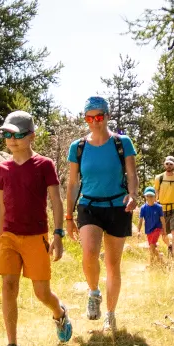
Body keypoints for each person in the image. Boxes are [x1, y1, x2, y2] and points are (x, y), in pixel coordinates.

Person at [0, 110, 72, 346]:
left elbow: (56, 202)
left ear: (32, 136)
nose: (12, 140)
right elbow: (2, 204)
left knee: (41, 292)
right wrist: (0, 233)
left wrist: (58, 234)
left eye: (17, 135)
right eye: (7, 134)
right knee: (8, 287)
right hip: (9, 237)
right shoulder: (1, 168)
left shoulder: (44, 165)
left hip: (36, 236)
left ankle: (59, 313)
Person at [65, 95, 139, 332]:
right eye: (90, 117)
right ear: (85, 119)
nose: (95, 121)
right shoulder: (77, 147)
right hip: (89, 206)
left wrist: (134, 195)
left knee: (112, 264)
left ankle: (110, 313)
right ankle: (94, 292)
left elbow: (132, 174)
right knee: (89, 253)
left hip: (118, 206)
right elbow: (73, 183)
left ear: (107, 116)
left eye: (99, 116)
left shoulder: (122, 142)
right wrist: (68, 216)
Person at [139, 187, 165, 266]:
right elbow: (140, 220)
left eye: (151, 196)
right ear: (145, 197)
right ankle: (160, 258)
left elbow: (162, 220)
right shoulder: (143, 208)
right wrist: (138, 231)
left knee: (152, 245)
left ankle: (151, 264)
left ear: (155, 197)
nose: (149, 198)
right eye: (148, 196)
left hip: (157, 229)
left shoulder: (159, 207)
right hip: (148, 230)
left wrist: (164, 230)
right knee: (151, 246)